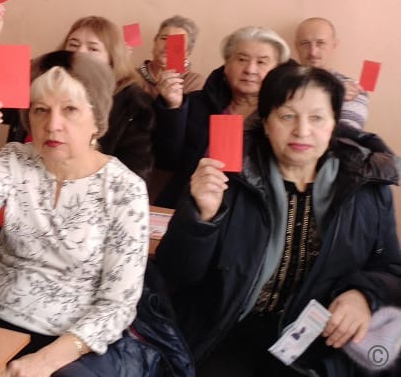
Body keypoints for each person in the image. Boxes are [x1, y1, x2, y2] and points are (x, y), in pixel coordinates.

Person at [155, 64, 401, 376]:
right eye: (287, 116)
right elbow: (177, 272)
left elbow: (389, 266)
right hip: (226, 331)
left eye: (317, 118)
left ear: (334, 124)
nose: (302, 130)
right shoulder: (228, 177)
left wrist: (363, 295)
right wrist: (201, 217)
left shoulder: (364, 186)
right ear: (266, 122)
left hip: (318, 342)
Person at [0, 50, 149, 375]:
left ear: (97, 121)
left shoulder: (124, 189)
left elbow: (118, 304)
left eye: (70, 110)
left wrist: (44, 362)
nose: (52, 125)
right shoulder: (15, 159)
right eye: (40, 110)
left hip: (73, 340)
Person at [0, 1, 155, 179]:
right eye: (73, 45)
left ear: (112, 59)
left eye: (93, 48)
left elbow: (133, 173)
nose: (79, 53)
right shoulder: (40, 82)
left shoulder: (133, 102)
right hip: (22, 186)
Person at [152, 26, 291, 206]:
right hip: (187, 204)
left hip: (251, 211)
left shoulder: (285, 116)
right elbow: (167, 160)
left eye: (262, 62)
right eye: (242, 59)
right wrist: (173, 107)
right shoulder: (196, 104)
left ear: (277, 70)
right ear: (226, 64)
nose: (250, 69)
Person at [294, 17, 369, 130]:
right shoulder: (281, 81)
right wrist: (333, 92)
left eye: (320, 43)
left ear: (334, 45)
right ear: (296, 46)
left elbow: (347, 133)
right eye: (305, 43)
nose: (313, 52)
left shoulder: (353, 88)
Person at [137, 15, 206, 99]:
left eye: (177, 42)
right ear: (155, 41)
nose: (168, 46)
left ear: (187, 52)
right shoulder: (131, 77)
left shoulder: (194, 82)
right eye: (164, 38)